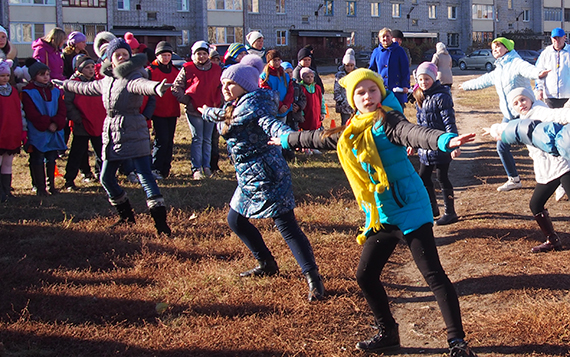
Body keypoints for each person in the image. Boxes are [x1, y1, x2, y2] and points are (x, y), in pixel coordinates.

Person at [276, 68, 478, 357]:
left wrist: (444, 140)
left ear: (381, 92)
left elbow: (412, 133)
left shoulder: (388, 119)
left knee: (433, 275)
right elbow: (323, 138)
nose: (368, 97)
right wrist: (288, 139)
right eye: (361, 92)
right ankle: (388, 334)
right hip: (381, 213)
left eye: (373, 90)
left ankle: (457, 343)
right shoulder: (353, 129)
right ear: (352, 99)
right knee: (366, 276)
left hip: (410, 207)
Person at [198, 54, 325, 302]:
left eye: (229, 84)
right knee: (235, 220)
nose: (224, 88)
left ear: (245, 86)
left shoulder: (256, 107)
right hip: (247, 176)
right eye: (222, 83)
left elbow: (273, 125)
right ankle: (266, 262)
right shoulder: (236, 105)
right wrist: (206, 112)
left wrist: (290, 137)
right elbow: (225, 117)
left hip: (268, 173)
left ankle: (314, 278)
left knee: (287, 226)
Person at [53, 38, 172, 235]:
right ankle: (126, 217)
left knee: (145, 176)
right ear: (111, 59)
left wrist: (156, 88)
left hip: (134, 130)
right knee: (106, 178)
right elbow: (85, 88)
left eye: (125, 55)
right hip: (111, 133)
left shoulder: (133, 77)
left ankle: (161, 225)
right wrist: (65, 84)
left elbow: (143, 85)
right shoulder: (107, 80)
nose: (122, 58)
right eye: (118, 55)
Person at [484, 87, 570, 253]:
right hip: (547, 171)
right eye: (516, 103)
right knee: (535, 204)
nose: (520, 104)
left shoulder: (540, 112)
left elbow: (559, 115)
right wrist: (494, 130)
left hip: (562, 166)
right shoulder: (522, 118)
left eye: (523, 99)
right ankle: (552, 240)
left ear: (531, 99)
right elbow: (510, 129)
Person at [460, 37, 549, 192]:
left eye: (498, 46)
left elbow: (528, 69)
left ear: (507, 48)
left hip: (525, 113)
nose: (494, 50)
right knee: (501, 146)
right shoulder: (499, 68)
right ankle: (514, 179)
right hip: (509, 116)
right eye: (493, 47)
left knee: (539, 146)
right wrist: (466, 85)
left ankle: (557, 178)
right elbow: (484, 80)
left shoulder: (516, 63)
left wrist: (539, 73)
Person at [412, 62, 459, 225]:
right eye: (421, 79)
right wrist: (414, 142)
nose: (424, 82)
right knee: (423, 177)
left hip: (441, 145)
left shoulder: (442, 96)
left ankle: (450, 212)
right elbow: (419, 124)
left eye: (427, 79)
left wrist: (453, 144)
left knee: (442, 177)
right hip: (425, 147)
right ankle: (432, 208)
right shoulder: (419, 95)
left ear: (433, 78)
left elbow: (449, 122)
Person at [172, 40, 222, 180]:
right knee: (197, 138)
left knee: (207, 139)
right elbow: (176, 88)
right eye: (198, 54)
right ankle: (196, 168)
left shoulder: (217, 69)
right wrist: (188, 101)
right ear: (193, 55)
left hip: (211, 109)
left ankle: (206, 166)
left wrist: (219, 102)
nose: (201, 57)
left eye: (204, 54)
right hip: (195, 110)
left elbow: (222, 87)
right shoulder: (187, 68)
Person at [22, 61, 67, 196]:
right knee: (37, 157)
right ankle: (39, 187)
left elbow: (62, 109)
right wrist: (47, 123)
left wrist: (56, 123)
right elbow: (31, 112)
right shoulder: (28, 92)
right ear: (34, 76)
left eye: (47, 74)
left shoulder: (55, 91)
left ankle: (51, 185)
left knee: (51, 157)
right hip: (38, 130)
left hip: (53, 130)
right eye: (42, 75)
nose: (46, 77)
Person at [62, 55, 104, 191]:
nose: (91, 70)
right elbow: (67, 103)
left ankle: (103, 176)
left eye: (92, 67)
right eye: (87, 67)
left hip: (98, 123)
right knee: (77, 152)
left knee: (101, 151)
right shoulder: (72, 84)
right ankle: (69, 179)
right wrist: (77, 119)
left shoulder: (98, 83)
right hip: (82, 124)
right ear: (79, 69)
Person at [147, 41, 180, 180]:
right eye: (163, 55)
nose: (166, 58)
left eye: (168, 55)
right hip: (157, 110)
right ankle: (156, 167)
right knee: (161, 139)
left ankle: (166, 168)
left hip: (172, 110)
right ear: (157, 56)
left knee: (169, 140)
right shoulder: (150, 70)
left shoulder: (175, 71)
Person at [0, 59, 24, 202]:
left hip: (11, 133)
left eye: (7, 76)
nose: (5, 78)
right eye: (2, 76)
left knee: (8, 163)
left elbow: (19, 111)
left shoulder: (13, 92)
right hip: (1, 133)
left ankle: (6, 190)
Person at [369, 28, 410, 106]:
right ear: (379, 39)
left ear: (391, 37)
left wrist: (405, 85)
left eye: (387, 36)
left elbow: (405, 70)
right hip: (381, 88)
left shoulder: (399, 51)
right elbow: (372, 69)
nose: (385, 38)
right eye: (383, 37)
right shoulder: (376, 52)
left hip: (396, 88)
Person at [535, 28, 570, 108]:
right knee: (552, 119)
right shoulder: (545, 53)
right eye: (554, 38)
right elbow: (539, 72)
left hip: (568, 95)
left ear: (564, 37)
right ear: (551, 38)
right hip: (550, 95)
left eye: (559, 38)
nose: (557, 40)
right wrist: (539, 89)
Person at [259, 50, 294, 123]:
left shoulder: (285, 75)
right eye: (274, 60)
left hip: (284, 111)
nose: (277, 62)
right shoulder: (264, 77)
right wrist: (279, 105)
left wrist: (286, 105)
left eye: (279, 60)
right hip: (271, 110)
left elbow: (290, 91)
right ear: (269, 61)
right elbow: (267, 93)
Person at [334, 48, 357, 125]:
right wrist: (341, 101)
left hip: (355, 104)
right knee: (345, 123)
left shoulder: (357, 74)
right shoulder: (340, 76)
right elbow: (336, 90)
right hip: (344, 104)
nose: (349, 68)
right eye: (347, 65)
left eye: (351, 65)